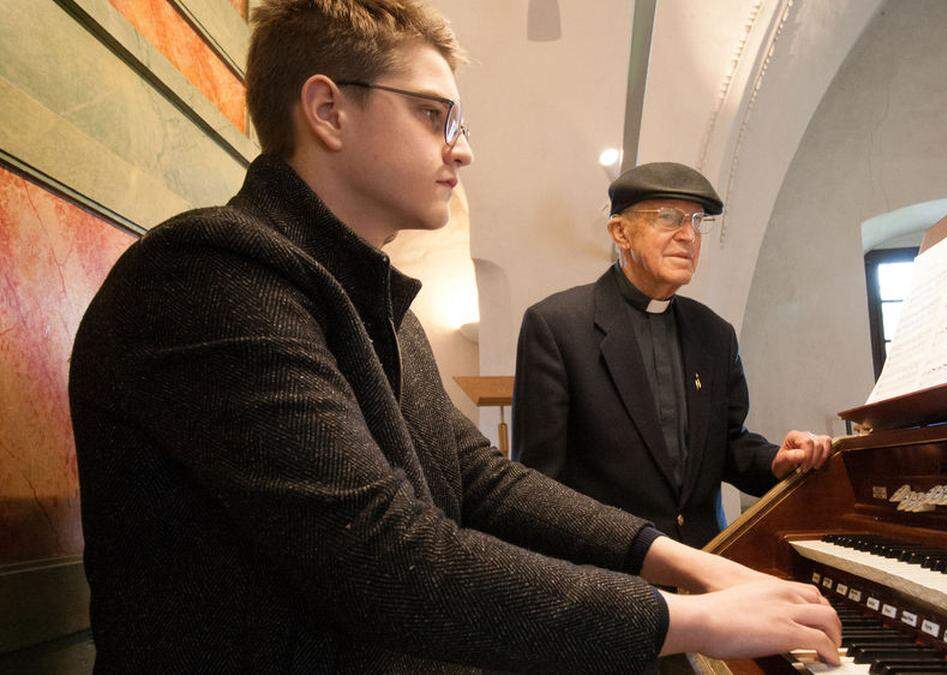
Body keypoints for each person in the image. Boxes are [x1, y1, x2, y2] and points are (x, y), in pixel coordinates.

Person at [68, 1, 841, 672]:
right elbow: (384, 559)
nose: (461, 149)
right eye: (435, 115)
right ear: (327, 109)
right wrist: (692, 616)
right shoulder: (213, 275)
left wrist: (680, 561)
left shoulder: (376, 304)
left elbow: (481, 479)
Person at [512, 162, 834, 549]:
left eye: (697, 222)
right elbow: (539, 486)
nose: (689, 236)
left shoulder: (715, 334)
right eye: (669, 218)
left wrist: (775, 461)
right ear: (620, 232)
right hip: (612, 573)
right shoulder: (556, 326)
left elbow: (727, 444)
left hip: (708, 561)